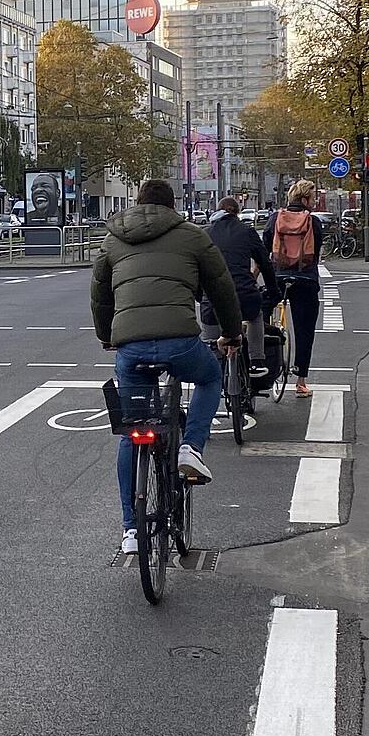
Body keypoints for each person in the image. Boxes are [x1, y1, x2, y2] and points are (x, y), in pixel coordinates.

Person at [91, 178, 243, 555]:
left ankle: (130, 530)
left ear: (137, 204)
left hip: (130, 347)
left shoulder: (113, 239)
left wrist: (107, 336)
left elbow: (99, 293)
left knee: (132, 432)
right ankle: (190, 447)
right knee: (209, 377)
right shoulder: (192, 235)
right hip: (181, 341)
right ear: (171, 206)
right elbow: (221, 286)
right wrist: (231, 333)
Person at [203, 196, 280, 384]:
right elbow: (265, 264)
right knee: (255, 316)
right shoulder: (247, 232)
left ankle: (213, 361)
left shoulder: (205, 233)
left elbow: (195, 267)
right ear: (236, 213)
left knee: (211, 336)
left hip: (212, 298)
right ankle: (257, 361)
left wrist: (201, 295)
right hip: (244, 295)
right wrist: (274, 291)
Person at [273, 180, 331, 397]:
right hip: (305, 279)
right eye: (313, 198)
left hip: (278, 278)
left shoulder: (275, 218)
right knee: (304, 329)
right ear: (305, 200)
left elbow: (266, 248)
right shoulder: (313, 222)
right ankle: (301, 381)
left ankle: (260, 363)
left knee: (258, 316)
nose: (314, 202)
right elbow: (315, 255)